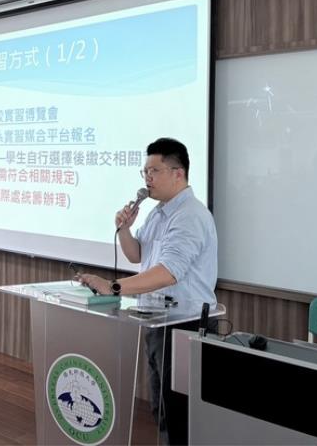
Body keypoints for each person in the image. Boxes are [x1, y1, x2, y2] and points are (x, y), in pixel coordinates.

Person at [77, 137, 217, 445]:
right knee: (162, 409)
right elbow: (136, 255)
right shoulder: (158, 212)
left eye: (154, 171)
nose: (147, 179)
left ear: (178, 173)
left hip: (185, 325)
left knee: (178, 414)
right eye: (145, 172)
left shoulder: (190, 215)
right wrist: (125, 229)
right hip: (157, 321)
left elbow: (168, 273)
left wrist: (113, 286)